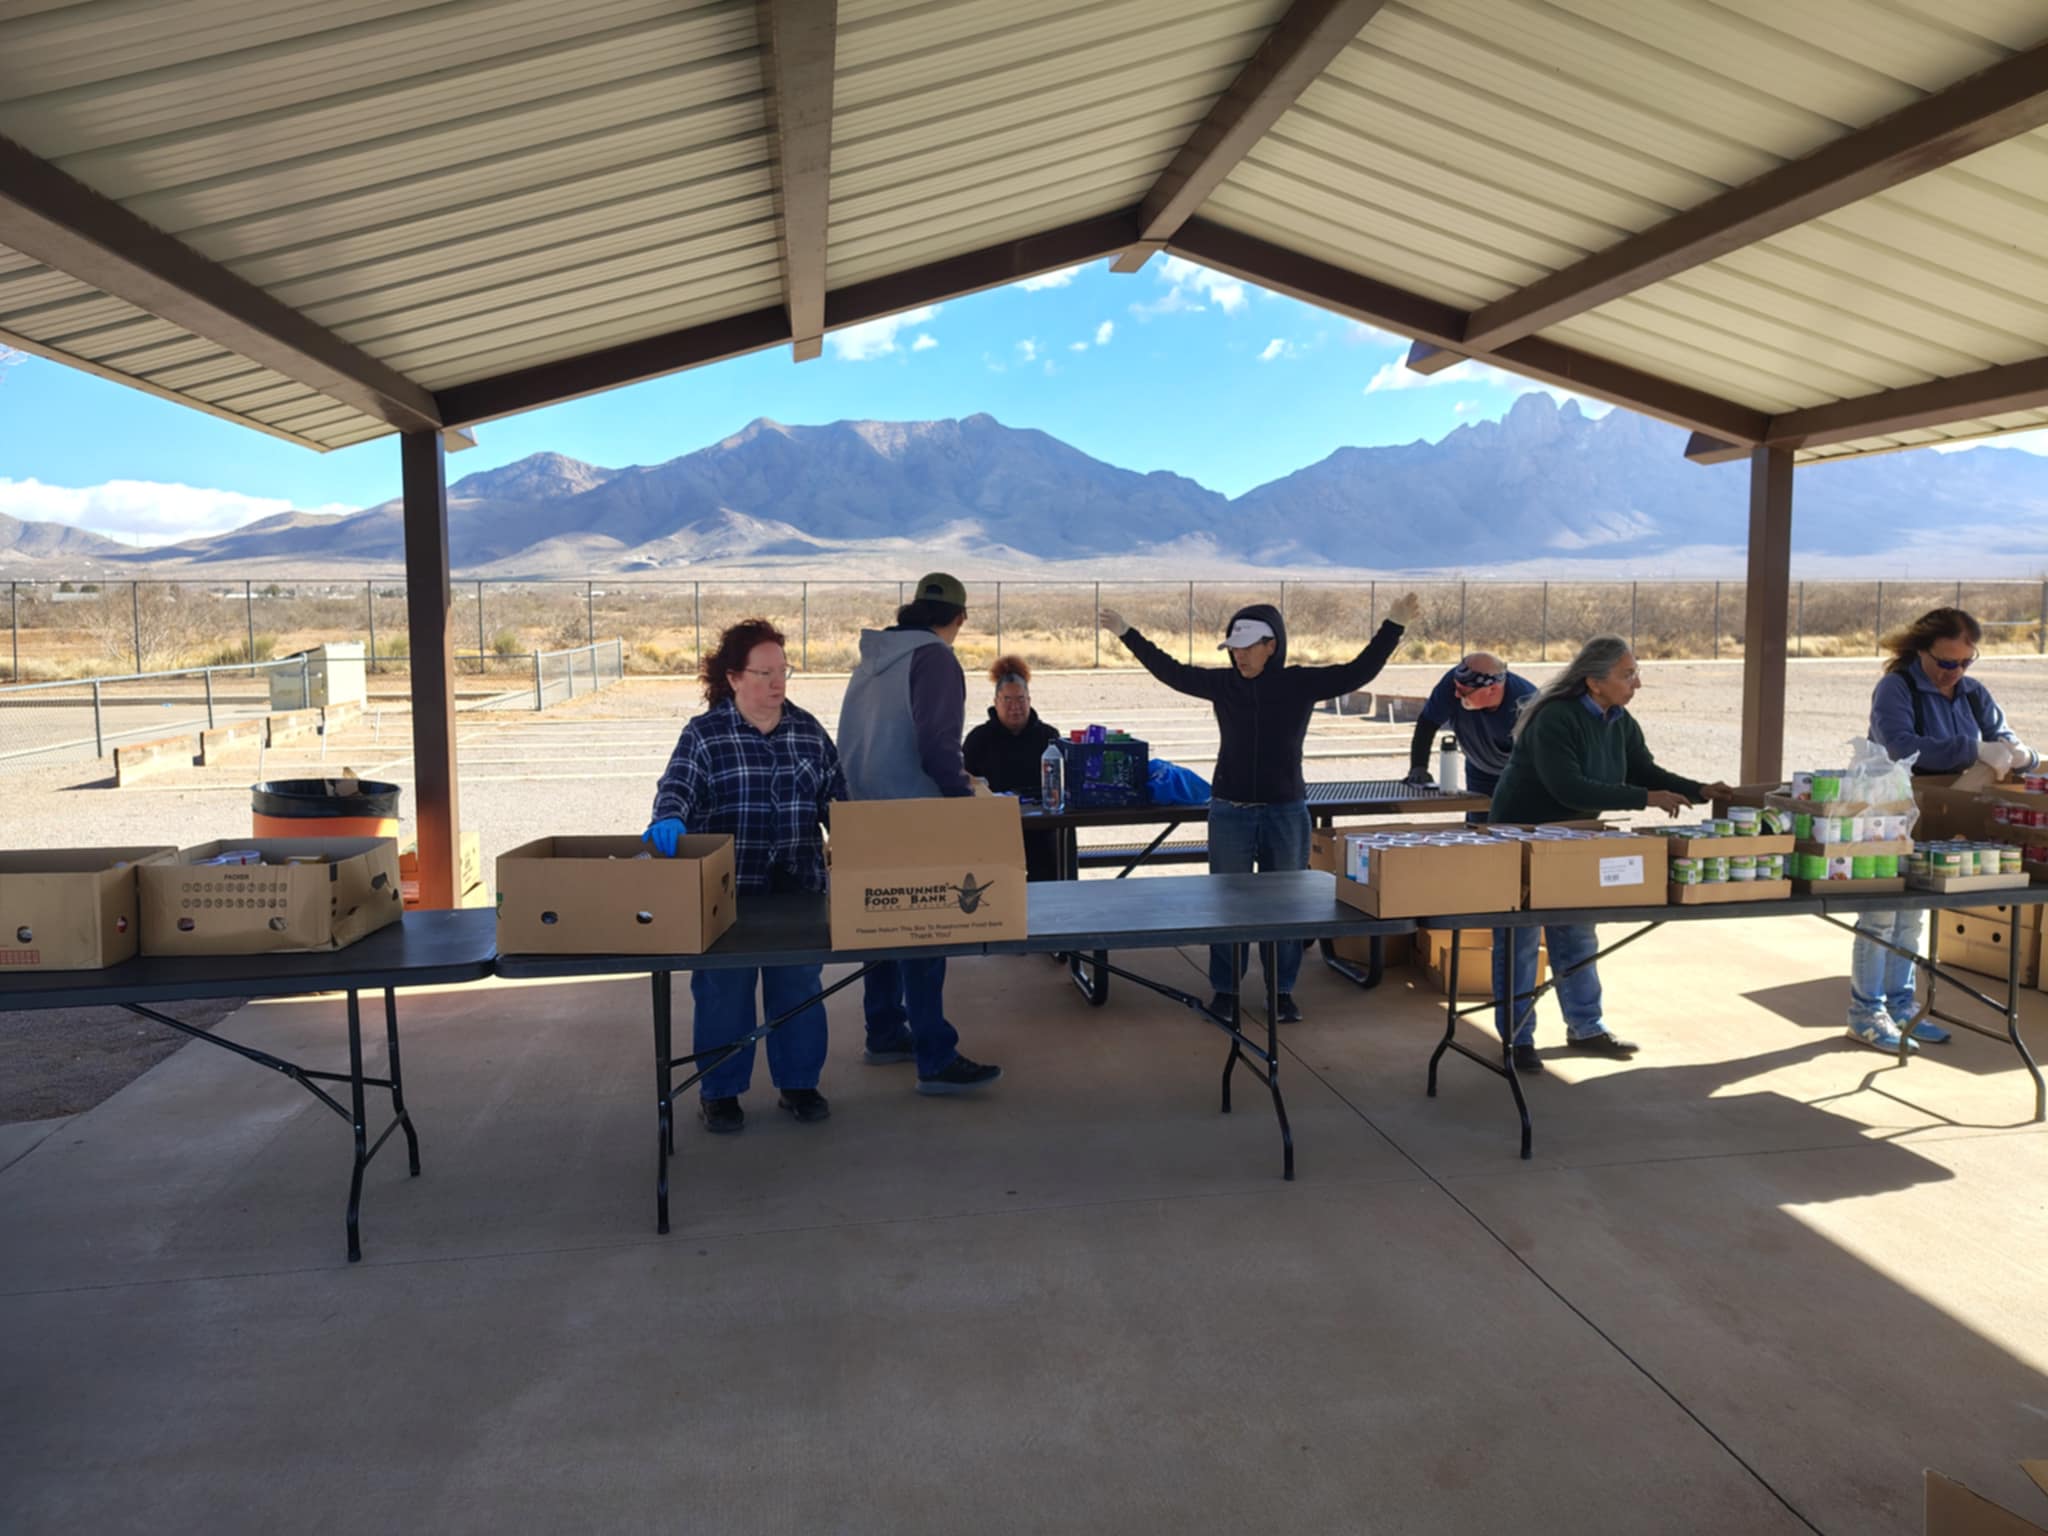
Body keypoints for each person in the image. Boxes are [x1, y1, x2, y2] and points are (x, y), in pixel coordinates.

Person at [1099, 592, 1423, 1024]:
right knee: (1226, 906)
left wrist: (1393, 626)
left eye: (1247, 648)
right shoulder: (1223, 684)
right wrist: (1128, 634)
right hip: (1229, 811)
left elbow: (1358, 671)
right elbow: (1171, 671)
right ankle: (1226, 990)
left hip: (1285, 811)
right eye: (1233, 649)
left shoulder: (1299, 683)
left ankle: (1282, 990)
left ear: (1272, 645)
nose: (1238, 658)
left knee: (1285, 908)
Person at [1487, 636, 1731, 1072]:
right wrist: (1646, 798)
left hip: (1575, 837)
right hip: (1520, 835)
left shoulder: (1620, 720)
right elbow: (1569, 786)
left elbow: (1644, 770)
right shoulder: (1556, 719)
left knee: (1577, 934)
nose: (1637, 682)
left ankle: (1586, 1027)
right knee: (1519, 942)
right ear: (1594, 682)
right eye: (1628, 674)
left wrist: (1698, 789)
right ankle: (1517, 1039)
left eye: (1635, 672)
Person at [643, 619, 844, 1135]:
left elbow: (838, 802)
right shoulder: (704, 735)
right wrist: (669, 817)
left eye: (784, 671)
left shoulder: (808, 731)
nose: (778, 683)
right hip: (726, 895)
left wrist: (858, 838)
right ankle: (720, 1091)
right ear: (733, 678)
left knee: (798, 986)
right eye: (764, 672)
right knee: (723, 993)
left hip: (796, 888)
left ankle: (799, 1084)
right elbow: (677, 787)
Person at [836, 572, 1004, 1095]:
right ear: (960, 618)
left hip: (862, 811)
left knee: (881, 927)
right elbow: (938, 746)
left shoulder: (873, 657)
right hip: (914, 816)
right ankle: (935, 1056)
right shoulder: (935, 658)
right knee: (927, 931)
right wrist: (966, 800)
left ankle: (884, 1031)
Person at [1850, 607, 2039, 1053]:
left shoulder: (1973, 694)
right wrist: (1971, 748)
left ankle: (1902, 1007)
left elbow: (2007, 738)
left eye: (1966, 662)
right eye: (1947, 663)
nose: (1956, 672)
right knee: (1880, 916)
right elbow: (1901, 747)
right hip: (1890, 814)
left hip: (1942, 820)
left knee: (1912, 916)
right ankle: (1864, 1013)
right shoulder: (1896, 689)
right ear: (1921, 652)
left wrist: (2019, 755)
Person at [962, 655, 1064, 881]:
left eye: (1020, 699)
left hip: (1041, 829)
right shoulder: (978, 739)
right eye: (1007, 700)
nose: (1015, 707)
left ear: (1029, 700)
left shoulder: (1049, 738)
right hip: (993, 830)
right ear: (996, 701)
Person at [1403, 652, 1537, 809]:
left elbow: (1540, 757)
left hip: (1519, 773)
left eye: (1464, 692)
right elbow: (1427, 723)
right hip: (1478, 766)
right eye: (1456, 688)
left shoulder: (1527, 704)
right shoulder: (1457, 682)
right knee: (1477, 823)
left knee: (1511, 822)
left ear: (1492, 689)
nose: (1456, 694)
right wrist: (1418, 767)